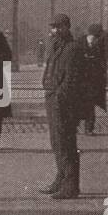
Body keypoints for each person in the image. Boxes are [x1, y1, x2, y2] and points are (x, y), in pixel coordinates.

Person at [41, 14, 83, 199]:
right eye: (53, 27)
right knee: (56, 141)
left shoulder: (73, 48)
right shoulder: (57, 47)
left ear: (67, 27)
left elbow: (72, 79)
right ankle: (61, 177)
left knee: (66, 143)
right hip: (53, 99)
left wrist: (59, 96)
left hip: (64, 103)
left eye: (59, 27)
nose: (56, 31)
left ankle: (71, 186)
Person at [80, 24, 108, 134]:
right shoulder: (79, 43)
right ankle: (75, 126)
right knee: (78, 105)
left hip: (93, 81)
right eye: (92, 38)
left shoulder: (100, 45)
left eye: (96, 38)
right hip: (80, 80)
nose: (94, 41)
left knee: (90, 105)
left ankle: (89, 128)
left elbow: (103, 62)